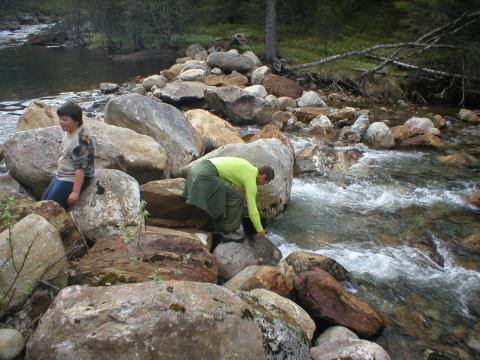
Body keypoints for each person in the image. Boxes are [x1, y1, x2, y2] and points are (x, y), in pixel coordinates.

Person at [182, 157, 274, 241]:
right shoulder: (251, 182)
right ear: (263, 176)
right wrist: (260, 230)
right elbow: (252, 210)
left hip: (197, 168)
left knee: (229, 193)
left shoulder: (247, 164)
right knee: (237, 197)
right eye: (265, 182)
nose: (263, 185)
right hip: (205, 175)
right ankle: (229, 231)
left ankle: (218, 222)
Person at [42, 103, 94, 209]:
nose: (61, 122)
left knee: (51, 207)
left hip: (72, 178)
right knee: (44, 200)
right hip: (62, 173)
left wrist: (75, 193)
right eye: (60, 119)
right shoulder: (70, 131)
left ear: (76, 121)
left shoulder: (80, 141)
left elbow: (80, 169)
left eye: (65, 120)